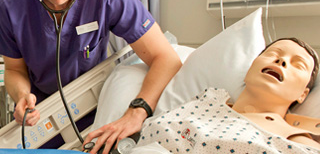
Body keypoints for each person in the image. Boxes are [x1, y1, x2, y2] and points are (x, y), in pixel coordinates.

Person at [0, 0, 182, 150]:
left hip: (95, 107)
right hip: (44, 114)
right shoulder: (11, 5)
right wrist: (22, 94)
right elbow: (14, 69)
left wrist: (137, 111)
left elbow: (166, 58)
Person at [134, 38, 320, 153]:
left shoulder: (297, 143)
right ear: (249, 70)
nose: (281, 61)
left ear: (302, 95)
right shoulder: (206, 101)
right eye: (273, 54)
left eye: (298, 64)